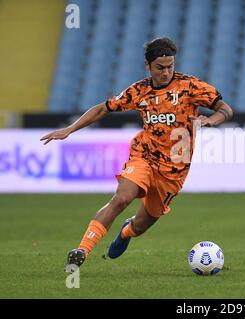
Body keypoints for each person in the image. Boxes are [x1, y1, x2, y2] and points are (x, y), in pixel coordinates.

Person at [41, 37, 234, 272]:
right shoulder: (139, 91)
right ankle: (82, 250)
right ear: (148, 65)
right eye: (160, 68)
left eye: (170, 66)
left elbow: (225, 109)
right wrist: (70, 129)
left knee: (142, 224)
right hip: (144, 156)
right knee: (122, 197)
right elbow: (103, 108)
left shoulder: (190, 87)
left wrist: (211, 120)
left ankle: (126, 231)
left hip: (174, 170)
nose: (166, 72)